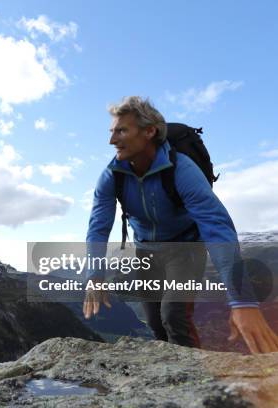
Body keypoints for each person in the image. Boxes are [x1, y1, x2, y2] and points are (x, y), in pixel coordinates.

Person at [83, 96, 278, 353]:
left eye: (122, 130)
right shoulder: (111, 176)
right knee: (155, 322)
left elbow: (216, 227)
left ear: (149, 131)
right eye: (112, 131)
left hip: (186, 247)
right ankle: (169, 380)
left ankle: (195, 379)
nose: (112, 140)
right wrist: (95, 276)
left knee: (174, 314)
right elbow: (98, 227)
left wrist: (241, 299)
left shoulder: (181, 170)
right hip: (146, 251)